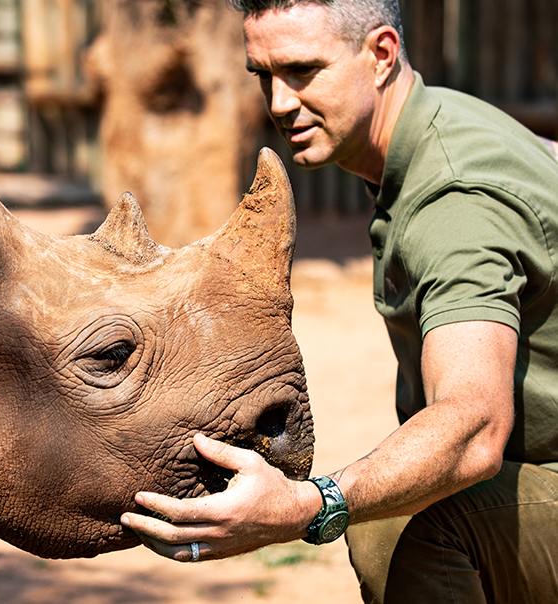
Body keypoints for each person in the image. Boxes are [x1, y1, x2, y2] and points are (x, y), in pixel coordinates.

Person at [118, 0, 558, 601]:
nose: (278, 103)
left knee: (401, 529)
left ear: (380, 55)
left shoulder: (453, 196)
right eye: (263, 75)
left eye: (302, 71)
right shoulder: (448, 125)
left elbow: (475, 427)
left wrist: (309, 503)